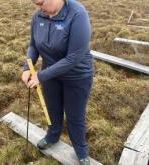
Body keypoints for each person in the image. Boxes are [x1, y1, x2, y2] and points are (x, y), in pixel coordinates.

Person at [21, 0, 93, 164]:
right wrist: (27, 67)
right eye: (35, 4)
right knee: (52, 109)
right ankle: (52, 136)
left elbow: (74, 57)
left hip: (76, 76)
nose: (38, 9)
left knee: (75, 115)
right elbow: (33, 45)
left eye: (41, 3)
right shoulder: (39, 15)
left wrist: (41, 76)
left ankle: (81, 151)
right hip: (50, 76)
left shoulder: (77, 14)